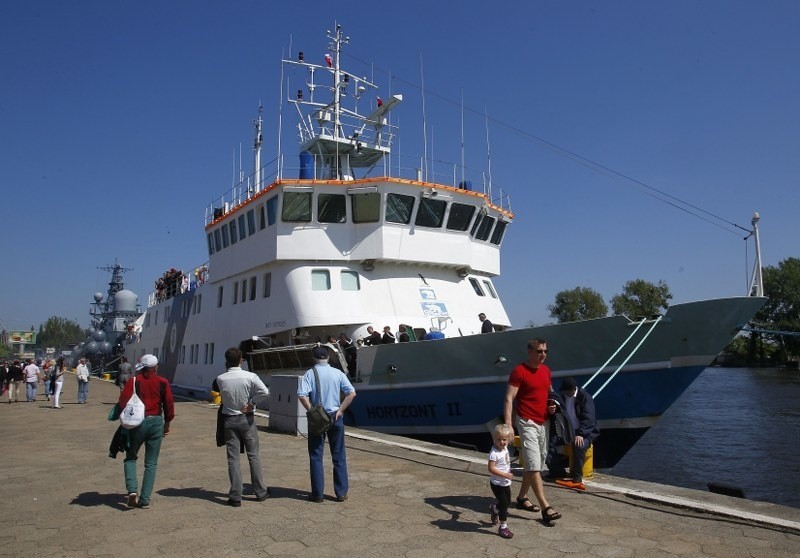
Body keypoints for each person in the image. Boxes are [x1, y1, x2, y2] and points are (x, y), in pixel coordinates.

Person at [503, 338, 562, 522]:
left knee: (535, 462)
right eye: (539, 351)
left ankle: (521, 498)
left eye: (545, 351)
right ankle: (546, 507)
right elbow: (509, 399)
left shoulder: (546, 371)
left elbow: (548, 393)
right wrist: (508, 425)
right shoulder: (519, 372)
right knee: (535, 463)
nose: (542, 354)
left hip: (543, 422)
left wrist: (552, 406)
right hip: (527, 421)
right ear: (529, 352)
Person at [212, 347, 271, 507]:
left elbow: (217, 391)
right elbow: (264, 391)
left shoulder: (221, 378)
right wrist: (252, 403)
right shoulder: (250, 376)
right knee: (254, 455)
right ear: (241, 360)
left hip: (229, 420)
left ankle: (235, 495)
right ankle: (260, 492)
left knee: (233, 458)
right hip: (246, 419)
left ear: (226, 361)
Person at [297, 345, 357, 502]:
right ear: (328, 357)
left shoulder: (310, 374)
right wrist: (341, 409)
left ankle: (317, 494)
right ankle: (341, 492)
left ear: (314, 358)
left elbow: (302, 396)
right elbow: (351, 393)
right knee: (338, 455)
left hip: (318, 419)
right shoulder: (337, 373)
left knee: (316, 456)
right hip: (336, 416)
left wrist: (312, 411)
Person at [117, 354, 175, 509]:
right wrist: (167, 423)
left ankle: (132, 491)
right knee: (151, 463)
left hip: (137, 423)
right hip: (156, 422)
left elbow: (122, 401)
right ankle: (145, 500)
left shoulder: (134, 381)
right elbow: (169, 404)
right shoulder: (163, 382)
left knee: (130, 457)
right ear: (155, 367)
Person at [551, 377, 599, 490]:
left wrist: (581, 434)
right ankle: (557, 472)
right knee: (549, 443)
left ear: (573, 389)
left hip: (584, 432)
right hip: (568, 431)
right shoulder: (562, 397)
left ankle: (577, 478)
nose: (566, 393)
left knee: (579, 445)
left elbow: (589, 419)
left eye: (567, 391)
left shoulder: (585, 398)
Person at [488, 423, 515, 539]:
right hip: (497, 483)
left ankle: (494, 509)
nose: (502, 442)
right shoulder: (494, 453)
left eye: (504, 439)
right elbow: (491, 468)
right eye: (499, 439)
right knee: (504, 505)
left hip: (505, 482)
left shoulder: (505, 449)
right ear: (494, 439)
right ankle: (503, 526)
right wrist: (504, 474)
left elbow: (505, 462)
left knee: (507, 502)